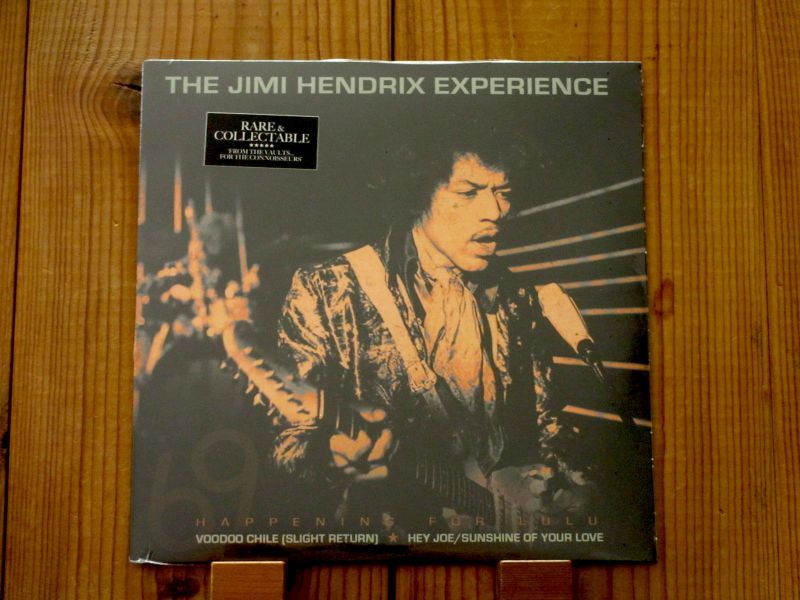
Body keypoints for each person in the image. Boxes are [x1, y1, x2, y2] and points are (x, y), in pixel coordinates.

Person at [273, 147, 593, 529]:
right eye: (468, 192)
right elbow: (288, 446)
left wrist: (569, 487)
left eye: (503, 193)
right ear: (419, 193)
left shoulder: (515, 295)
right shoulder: (327, 290)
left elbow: (548, 424)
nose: (494, 211)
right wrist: (328, 457)